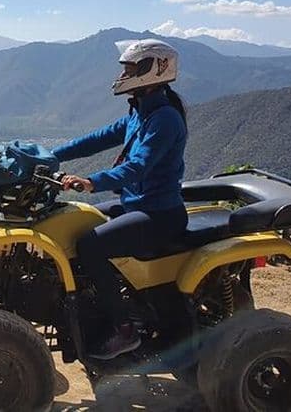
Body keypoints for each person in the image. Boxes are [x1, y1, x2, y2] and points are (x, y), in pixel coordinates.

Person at [51, 39, 188, 360]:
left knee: (90, 245)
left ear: (151, 71)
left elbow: (137, 166)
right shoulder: (140, 112)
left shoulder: (165, 119)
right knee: (76, 220)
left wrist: (89, 181)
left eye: (130, 68)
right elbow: (96, 139)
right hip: (135, 204)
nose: (124, 74)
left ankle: (124, 329)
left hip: (159, 215)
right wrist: (49, 157)